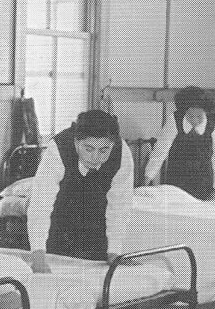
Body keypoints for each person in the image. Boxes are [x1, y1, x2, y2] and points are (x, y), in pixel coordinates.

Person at [26, 110, 134, 273]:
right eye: (88, 149)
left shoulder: (122, 154)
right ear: (76, 142)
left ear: (112, 145)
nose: (95, 157)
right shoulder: (58, 149)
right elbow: (40, 206)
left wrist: (114, 252)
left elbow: (119, 207)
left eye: (104, 151)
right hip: (57, 226)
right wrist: (39, 257)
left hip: (95, 227)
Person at [144, 86, 215, 201]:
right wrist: (146, 180)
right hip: (177, 180)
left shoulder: (214, 122)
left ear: (205, 111)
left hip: (205, 182)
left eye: (199, 116)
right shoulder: (175, 120)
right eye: (190, 116)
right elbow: (159, 152)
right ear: (184, 111)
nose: (195, 121)